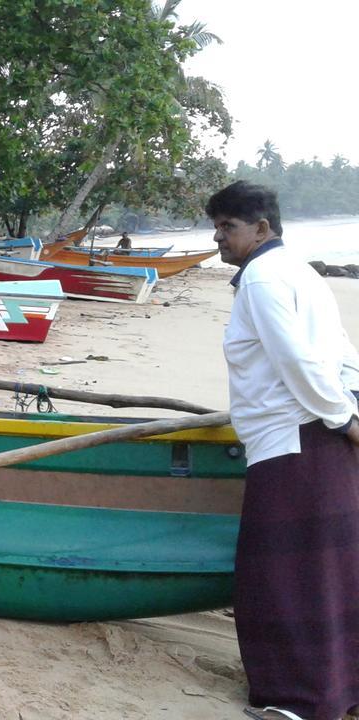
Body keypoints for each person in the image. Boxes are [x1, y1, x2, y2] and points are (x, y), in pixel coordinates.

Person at [209, 181, 359, 720]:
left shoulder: (264, 278)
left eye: (228, 226)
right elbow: (342, 354)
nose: (218, 236)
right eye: (218, 225)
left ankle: (298, 702)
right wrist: (351, 411)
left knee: (282, 577)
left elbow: (299, 362)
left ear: (262, 229)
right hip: (321, 438)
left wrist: (345, 417)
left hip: (293, 440)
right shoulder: (301, 272)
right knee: (331, 571)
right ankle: (341, 693)